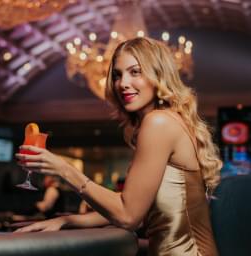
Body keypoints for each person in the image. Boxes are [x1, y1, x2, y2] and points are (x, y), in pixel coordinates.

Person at [15, 37, 222, 256]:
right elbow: (137, 208)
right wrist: (66, 221)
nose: (122, 83)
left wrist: (63, 168)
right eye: (117, 75)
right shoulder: (167, 120)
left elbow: (128, 216)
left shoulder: (159, 122)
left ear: (158, 75)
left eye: (135, 72)